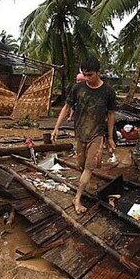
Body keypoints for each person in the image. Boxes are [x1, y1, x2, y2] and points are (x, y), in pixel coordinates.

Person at [52, 56, 117, 214]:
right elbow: (66, 108)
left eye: (90, 75)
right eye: (84, 75)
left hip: (97, 134)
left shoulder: (108, 92)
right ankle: (89, 175)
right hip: (80, 133)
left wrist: (109, 137)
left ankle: (77, 199)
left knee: (88, 168)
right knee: (81, 166)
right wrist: (56, 128)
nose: (87, 78)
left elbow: (111, 115)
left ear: (98, 72)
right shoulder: (78, 88)